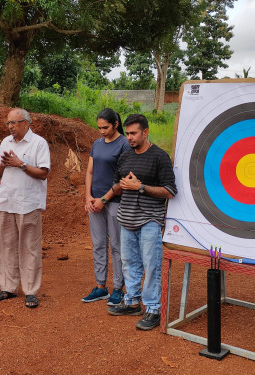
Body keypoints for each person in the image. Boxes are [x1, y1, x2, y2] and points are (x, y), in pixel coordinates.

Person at [102, 114, 177, 331]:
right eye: (127, 133)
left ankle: (153, 308)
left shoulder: (160, 157)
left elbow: (170, 191)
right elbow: (116, 184)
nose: (129, 138)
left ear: (146, 132)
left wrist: (140, 187)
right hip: (126, 218)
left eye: (134, 133)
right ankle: (132, 302)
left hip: (150, 220)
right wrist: (120, 187)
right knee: (129, 263)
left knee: (151, 265)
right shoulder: (125, 157)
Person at [0, 108, 50, 308]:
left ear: (26, 123)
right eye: (8, 123)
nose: (10, 127)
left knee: (29, 248)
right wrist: (4, 163)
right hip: (7, 201)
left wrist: (20, 164)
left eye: (14, 123)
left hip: (29, 203)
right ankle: (8, 287)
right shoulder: (5, 142)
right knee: (5, 245)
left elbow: (43, 173)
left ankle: (31, 291)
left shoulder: (39, 143)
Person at [82, 108, 130, 306]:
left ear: (116, 124)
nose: (101, 131)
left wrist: (104, 199)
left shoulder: (124, 144)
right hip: (95, 202)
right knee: (99, 244)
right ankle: (101, 286)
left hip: (115, 202)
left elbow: (125, 178)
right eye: (99, 127)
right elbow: (90, 172)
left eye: (105, 127)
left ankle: (119, 288)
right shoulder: (97, 144)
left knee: (117, 246)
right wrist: (88, 197)